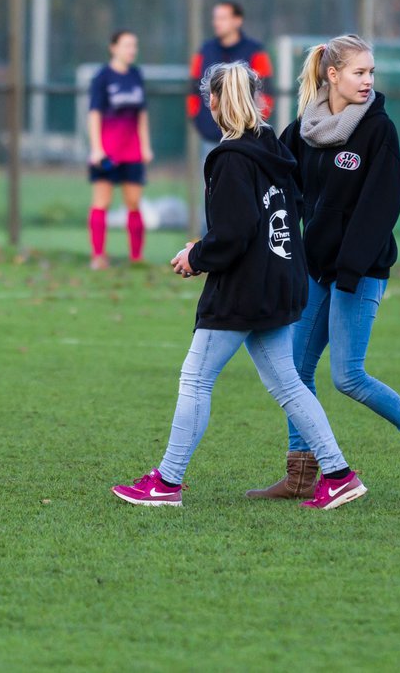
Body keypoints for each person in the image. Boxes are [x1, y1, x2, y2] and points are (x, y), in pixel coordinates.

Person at [112, 62, 367, 510]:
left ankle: (167, 482)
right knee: (289, 384)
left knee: (195, 379)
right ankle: (340, 475)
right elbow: (265, 219)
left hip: (245, 291)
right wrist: (208, 245)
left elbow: (235, 233)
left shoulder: (230, 158)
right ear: (254, 98)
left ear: (213, 101)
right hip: (282, 281)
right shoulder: (270, 146)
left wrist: (197, 256)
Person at [245, 34, 400, 505]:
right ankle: (302, 473)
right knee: (295, 371)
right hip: (315, 270)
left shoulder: (378, 130)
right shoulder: (305, 128)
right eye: (358, 72)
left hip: (359, 271)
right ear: (333, 75)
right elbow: (279, 178)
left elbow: (380, 207)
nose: (368, 81)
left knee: (348, 376)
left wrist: (348, 269)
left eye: (371, 73)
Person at [87, 30, 153, 270]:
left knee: (134, 202)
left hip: (132, 151)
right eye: (126, 45)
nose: (131, 50)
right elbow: (94, 114)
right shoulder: (102, 77)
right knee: (101, 202)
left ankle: (136, 258)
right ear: (113, 47)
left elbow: (142, 115)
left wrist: (145, 145)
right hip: (108, 152)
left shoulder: (136, 75)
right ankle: (98, 256)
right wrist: (96, 148)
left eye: (134, 45)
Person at [186, 2, 274, 153]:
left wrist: (257, 121)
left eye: (222, 18)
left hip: (246, 135)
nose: (216, 23)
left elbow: (266, 90)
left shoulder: (255, 51)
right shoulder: (205, 50)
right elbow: (193, 88)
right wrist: (197, 117)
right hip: (211, 135)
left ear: (237, 21)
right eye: (215, 18)